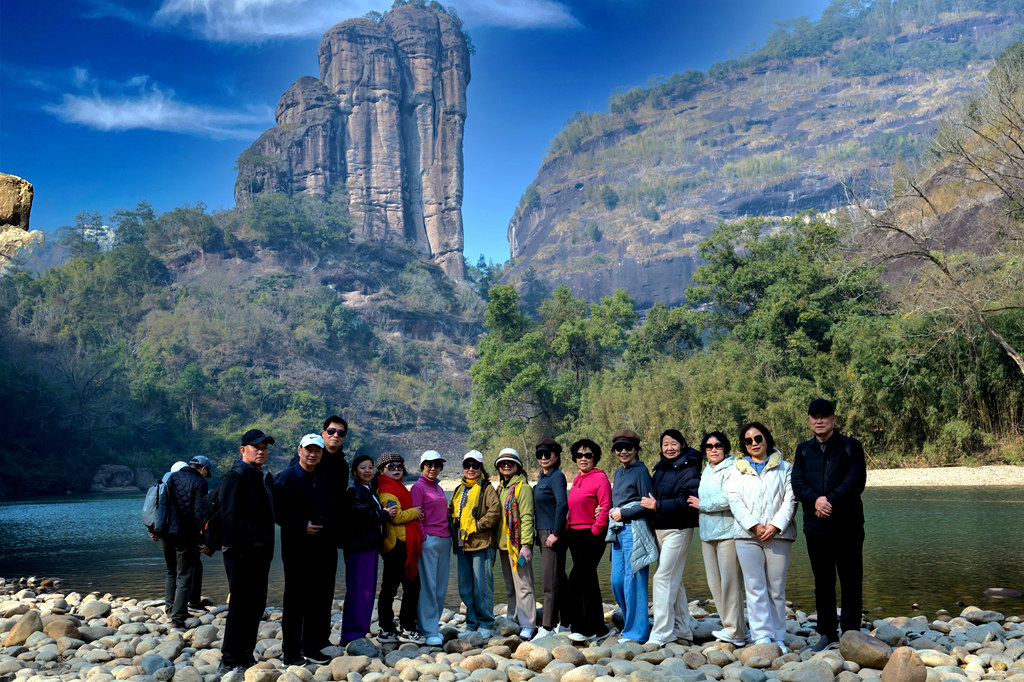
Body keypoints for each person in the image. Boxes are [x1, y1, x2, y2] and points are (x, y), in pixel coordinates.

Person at [791, 398, 867, 651]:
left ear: (834, 419)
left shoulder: (850, 446)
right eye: (815, 416)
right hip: (816, 528)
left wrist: (829, 501)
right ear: (809, 420)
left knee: (851, 579)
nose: (819, 420)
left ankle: (851, 631)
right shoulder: (803, 450)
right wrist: (815, 501)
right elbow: (798, 483)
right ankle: (827, 633)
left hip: (848, 525)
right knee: (823, 581)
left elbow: (856, 480)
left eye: (824, 416)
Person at [727, 422, 796, 651]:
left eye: (758, 438)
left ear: (767, 439)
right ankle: (760, 636)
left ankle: (777, 636)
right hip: (747, 537)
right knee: (754, 586)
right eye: (748, 441)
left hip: (779, 536)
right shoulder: (736, 470)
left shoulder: (785, 468)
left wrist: (775, 526)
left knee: (776, 587)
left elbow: (791, 500)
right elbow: (734, 500)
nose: (754, 443)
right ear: (744, 445)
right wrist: (754, 526)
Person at [274, 434, 337, 665]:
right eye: (308, 449)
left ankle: (311, 647)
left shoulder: (322, 478)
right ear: (299, 450)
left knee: (316, 599)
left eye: (317, 451)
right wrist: (301, 525)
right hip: (296, 547)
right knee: (295, 600)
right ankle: (290, 653)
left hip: (321, 547)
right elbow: (277, 513)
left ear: (321, 454)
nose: (312, 454)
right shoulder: (285, 478)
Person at [219, 429, 276, 673]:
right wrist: (241, 549)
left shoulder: (261, 476)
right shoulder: (236, 476)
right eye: (256, 447)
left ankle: (245, 654)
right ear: (243, 450)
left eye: (264, 447)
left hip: (261, 553)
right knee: (240, 606)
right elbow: (229, 518)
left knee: (256, 606)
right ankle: (229, 658)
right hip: (241, 554)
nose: (261, 451)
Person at [641, 429, 701, 646]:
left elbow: (687, 501)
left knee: (662, 578)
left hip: (679, 529)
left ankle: (661, 633)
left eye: (673, 443)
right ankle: (683, 630)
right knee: (675, 580)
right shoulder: (660, 470)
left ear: (682, 445)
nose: (669, 448)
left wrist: (657, 505)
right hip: (661, 529)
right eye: (665, 444)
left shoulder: (690, 469)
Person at [689, 432, 747, 645]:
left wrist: (702, 505)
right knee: (715, 584)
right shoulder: (707, 470)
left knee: (730, 583)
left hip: (728, 533)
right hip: (707, 534)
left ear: (726, 447)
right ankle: (731, 627)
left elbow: (729, 498)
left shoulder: (733, 469)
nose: (713, 449)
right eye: (708, 446)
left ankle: (736, 633)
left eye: (718, 445)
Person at [608, 428, 656, 644]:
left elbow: (647, 506)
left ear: (636, 449)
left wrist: (623, 512)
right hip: (618, 531)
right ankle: (632, 624)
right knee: (617, 580)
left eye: (628, 447)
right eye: (619, 448)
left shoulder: (641, 472)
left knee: (633, 580)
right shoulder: (619, 473)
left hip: (634, 529)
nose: (623, 451)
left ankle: (637, 633)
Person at [341, 454, 394, 644]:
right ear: (354, 471)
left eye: (370, 467)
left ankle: (359, 632)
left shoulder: (368, 490)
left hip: (369, 546)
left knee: (368, 590)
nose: (367, 471)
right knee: (359, 590)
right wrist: (384, 514)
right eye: (362, 467)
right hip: (358, 547)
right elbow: (362, 518)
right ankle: (351, 635)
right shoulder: (354, 491)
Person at [448, 450, 501, 638]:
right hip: (462, 545)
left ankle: (486, 623)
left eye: (475, 466)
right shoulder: (459, 489)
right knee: (465, 586)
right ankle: (471, 624)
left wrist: (476, 526)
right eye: (467, 465)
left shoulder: (486, 488)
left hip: (481, 544)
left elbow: (494, 512)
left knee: (482, 585)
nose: (471, 469)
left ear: (481, 468)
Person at [565, 439, 611, 642]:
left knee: (577, 579)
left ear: (595, 458)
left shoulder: (600, 478)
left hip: (591, 534)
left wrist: (595, 531)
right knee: (589, 580)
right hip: (575, 534)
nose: (583, 459)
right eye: (579, 455)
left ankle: (584, 629)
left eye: (588, 455)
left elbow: (606, 506)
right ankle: (599, 628)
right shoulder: (577, 479)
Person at [375, 452, 423, 644]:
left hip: (401, 543)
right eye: (391, 467)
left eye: (399, 466)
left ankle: (389, 628)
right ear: (382, 470)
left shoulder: (398, 487)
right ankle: (402, 627)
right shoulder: (386, 489)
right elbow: (395, 516)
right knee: (403, 587)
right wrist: (415, 512)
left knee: (394, 587)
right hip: (397, 545)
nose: (396, 469)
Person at [164, 456, 212, 628]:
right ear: (204, 469)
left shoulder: (172, 477)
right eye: (207, 473)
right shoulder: (200, 483)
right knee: (185, 575)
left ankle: (170, 608)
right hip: (185, 535)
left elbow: (162, 505)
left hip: (166, 533)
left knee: (171, 571)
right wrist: (204, 539)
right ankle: (178, 617)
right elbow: (200, 514)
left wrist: (156, 530)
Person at [495, 448, 537, 639]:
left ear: (517, 466)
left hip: (517, 547)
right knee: (510, 586)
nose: (506, 466)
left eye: (510, 463)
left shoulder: (523, 488)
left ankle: (528, 624)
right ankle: (513, 619)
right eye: (502, 463)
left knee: (523, 585)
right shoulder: (500, 489)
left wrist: (526, 545)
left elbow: (527, 518)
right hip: (503, 546)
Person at [411, 450, 450, 646]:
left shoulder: (439, 488)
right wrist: (424, 537)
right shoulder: (418, 487)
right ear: (422, 467)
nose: (433, 468)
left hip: (444, 539)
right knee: (428, 586)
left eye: (436, 465)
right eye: (429, 464)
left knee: (441, 586)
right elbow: (416, 516)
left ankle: (433, 625)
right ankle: (427, 629)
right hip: (429, 540)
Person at [532, 438, 569, 637]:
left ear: (556, 455)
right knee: (559, 579)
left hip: (551, 534)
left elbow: (562, 505)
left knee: (550, 582)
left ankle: (547, 627)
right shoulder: (542, 477)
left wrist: (555, 533)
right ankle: (566, 621)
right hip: (542, 533)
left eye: (548, 454)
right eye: (540, 455)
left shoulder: (557, 476)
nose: (544, 458)